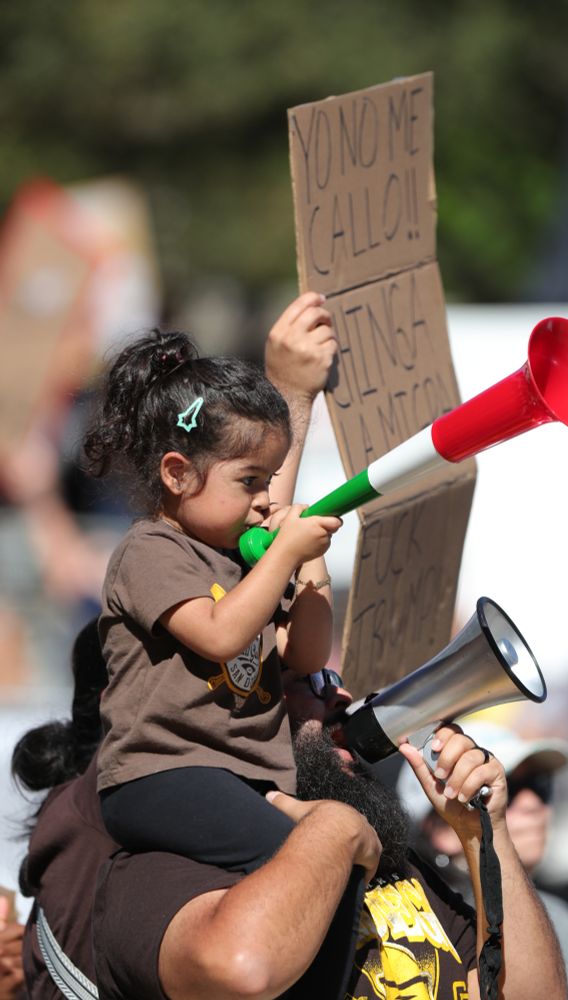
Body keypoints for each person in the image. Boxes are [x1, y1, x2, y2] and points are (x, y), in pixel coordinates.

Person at [15, 638, 567, 1000]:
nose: (341, 696)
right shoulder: (160, 861)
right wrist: (334, 831)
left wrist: (483, 838)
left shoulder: (378, 842)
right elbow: (242, 966)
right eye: (306, 682)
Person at [80, 291, 343, 875]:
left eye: (271, 479)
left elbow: (303, 652)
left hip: (246, 774)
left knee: (345, 858)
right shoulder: (149, 550)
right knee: (309, 867)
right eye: (250, 480)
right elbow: (221, 635)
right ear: (177, 472)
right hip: (165, 774)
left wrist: (310, 565)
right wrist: (283, 558)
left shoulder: (243, 562)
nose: (265, 500)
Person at [398, 721, 568, 1000]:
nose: (533, 803)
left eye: (539, 785)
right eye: (508, 789)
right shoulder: (548, 919)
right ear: (441, 829)